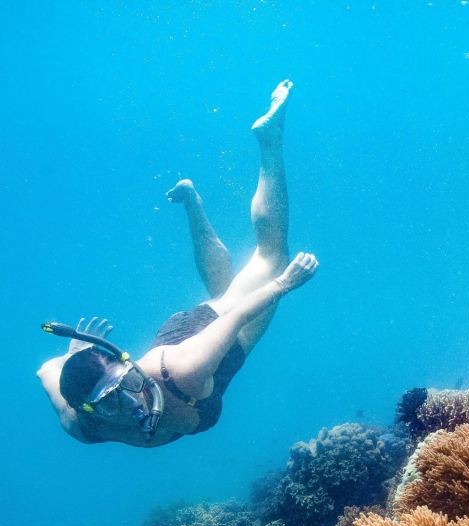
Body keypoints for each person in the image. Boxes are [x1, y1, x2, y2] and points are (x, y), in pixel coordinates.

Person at [37, 80, 318, 447]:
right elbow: (46, 370)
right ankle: (192, 202)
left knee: (270, 256)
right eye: (107, 404)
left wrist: (283, 283)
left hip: (184, 352)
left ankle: (270, 140)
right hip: (184, 348)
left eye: (130, 384)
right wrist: (74, 355)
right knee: (224, 292)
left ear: (130, 365)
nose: (131, 403)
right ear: (86, 410)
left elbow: (235, 319)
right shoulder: (83, 428)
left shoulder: (186, 369)